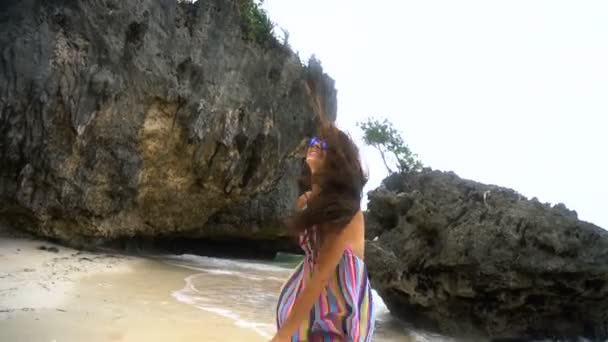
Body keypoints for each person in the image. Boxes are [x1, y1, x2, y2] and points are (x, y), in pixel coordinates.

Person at [271, 118, 376, 341]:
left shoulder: (346, 211)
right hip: (313, 293)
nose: (316, 144)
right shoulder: (306, 202)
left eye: (325, 145)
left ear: (338, 161)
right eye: (315, 140)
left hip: (338, 305)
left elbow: (323, 273)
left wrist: (283, 334)